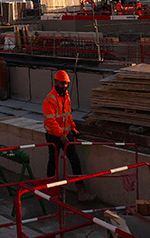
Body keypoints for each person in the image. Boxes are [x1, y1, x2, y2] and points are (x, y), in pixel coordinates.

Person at [43, 70, 93, 202]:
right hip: (54, 136)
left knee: (75, 160)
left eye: (66, 83)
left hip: (66, 134)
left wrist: (73, 129)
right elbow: (50, 121)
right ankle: (52, 191)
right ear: (56, 82)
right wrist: (60, 135)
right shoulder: (50, 99)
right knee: (53, 162)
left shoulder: (66, 97)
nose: (64, 86)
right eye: (62, 83)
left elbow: (68, 116)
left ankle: (81, 191)